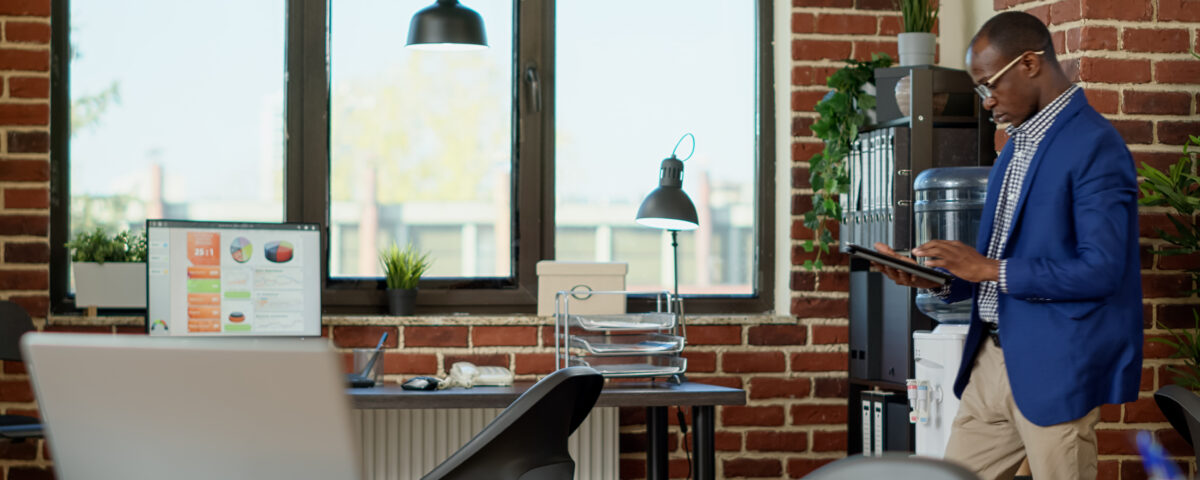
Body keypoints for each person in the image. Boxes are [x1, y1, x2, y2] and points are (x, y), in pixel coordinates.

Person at [870, 11, 1143, 480]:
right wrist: (935, 280)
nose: (986, 102)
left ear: (1030, 64)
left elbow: (1102, 270)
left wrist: (988, 270)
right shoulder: (1015, 147)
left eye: (988, 85)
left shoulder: (1096, 146)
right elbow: (993, 262)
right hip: (991, 363)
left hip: (1056, 370)